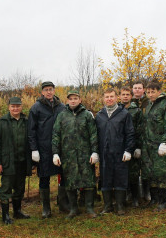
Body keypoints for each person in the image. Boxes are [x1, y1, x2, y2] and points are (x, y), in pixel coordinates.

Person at [52, 90, 99, 219]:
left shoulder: (87, 115)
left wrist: (95, 152)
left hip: (85, 155)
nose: (73, 100)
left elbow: (93, 134)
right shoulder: (61, 116)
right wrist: (55, 153)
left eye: (75, 98)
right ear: (67, 100)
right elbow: (56, 135)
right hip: (68, 156)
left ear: (80, 100)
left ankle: (89, 208)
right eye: (70, 98)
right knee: (70, 182)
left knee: (88, 181)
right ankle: (73, 209)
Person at [28, 81, 67, 218]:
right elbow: (31, 130)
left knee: (63, 175)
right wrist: (34, 149)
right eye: (46, 90)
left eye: (51, 89)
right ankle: (46, 208)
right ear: (42, 92)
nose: (49, 92)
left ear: (54, 91)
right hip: (43, 149)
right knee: (44, 177)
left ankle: (62, 203)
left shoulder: (62, 107)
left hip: (60, 148)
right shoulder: (36, 108)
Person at [95, 88, 135, 216]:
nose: (109, 99)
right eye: (107, 97)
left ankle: (120, 205)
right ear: (103, 99)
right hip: (104, 153)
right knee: (105, 178)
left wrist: (128, 150)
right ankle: (107, 206)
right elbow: (95, 136)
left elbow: (130, 133)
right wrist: (95, 152)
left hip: (120, 153)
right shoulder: (100, 115)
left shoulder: (124, 114)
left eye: (111, 96)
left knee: (120, 178)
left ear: (116, 98)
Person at [0, 97, 32, 225]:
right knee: (6, 189)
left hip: (22, 161)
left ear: (21, 107)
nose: (15, 109)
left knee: (20, 188)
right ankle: (5, 215)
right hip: (8, 161)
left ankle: (17, 211)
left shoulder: (26, 121)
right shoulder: (1, 122)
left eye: (18, 106)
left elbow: (31, 140)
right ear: (9, 107)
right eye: (13, 106)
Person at [143, 80, 166, 211]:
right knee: (152, 172)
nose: (150, 95)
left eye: (153, 92)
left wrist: (164, 143)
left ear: (159, 91)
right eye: (148, 92)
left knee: (162, 173)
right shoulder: (149, 105)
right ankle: (154, 199)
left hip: (161, 145)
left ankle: (162, 202)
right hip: (149, 145)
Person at [120, 87, 144, 207]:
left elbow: (140, 130)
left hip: (133, 145)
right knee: (122, 172)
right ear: (120, 96)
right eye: (123, 94)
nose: (125, 96)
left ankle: (135, 197)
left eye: (127, 94)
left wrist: (138, 147)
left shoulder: (137, 111)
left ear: (131, 96)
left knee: (134, 173)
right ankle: (124, 197)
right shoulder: (117, 110)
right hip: (120, 147)